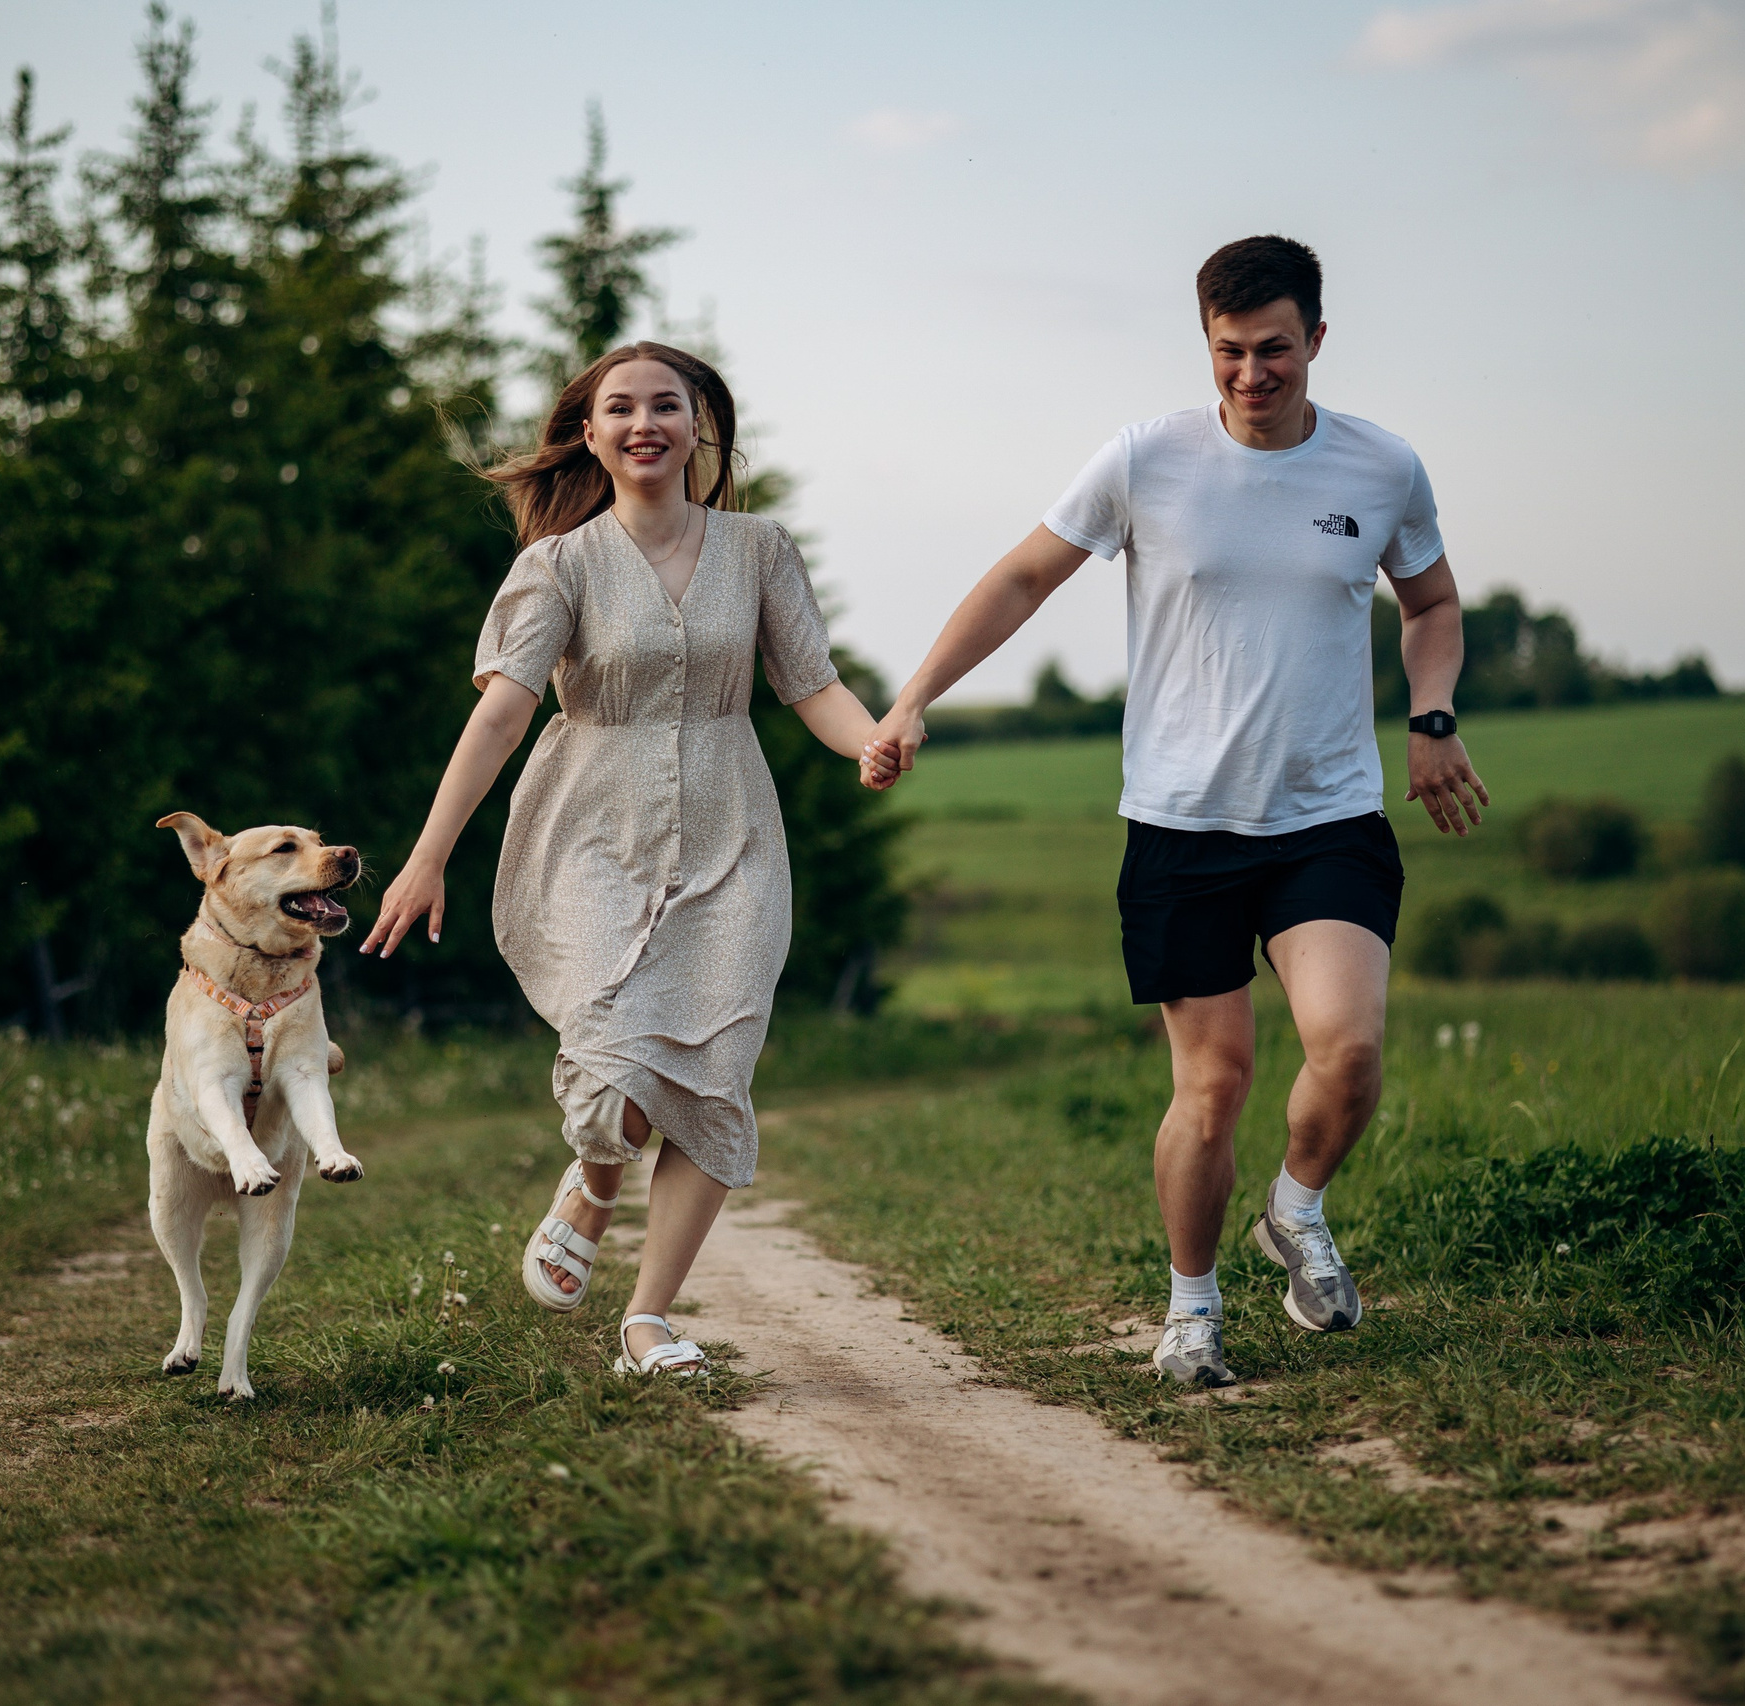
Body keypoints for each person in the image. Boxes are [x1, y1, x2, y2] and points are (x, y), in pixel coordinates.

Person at [867, 236, 1488, 1387]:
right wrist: (912, 697)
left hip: (1328, 816)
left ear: (1315, 339)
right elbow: (1020, 577)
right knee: (1212, 1084)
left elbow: (1433, 600)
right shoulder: (1145, 459)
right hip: (1181, 825)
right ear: (1206, 344)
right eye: (1228, 353)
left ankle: (1294, 1207)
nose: (1251, 374)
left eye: (1273, 351)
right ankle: (1190, 1305)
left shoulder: (1380, 467)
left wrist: (1433, 714)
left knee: (1347, 1053)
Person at [362, 341, 896, 1377]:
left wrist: (867, 738)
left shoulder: (759, 548)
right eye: (622, 407)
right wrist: (428, 855)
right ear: (591, 432)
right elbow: (501, 717)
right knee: (612, 1076)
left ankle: (648, 1316)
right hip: (589, 833)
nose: (645, 422)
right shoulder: (557, 566)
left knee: (713, 1071)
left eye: (668, 404)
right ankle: (597, 1171)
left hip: (733, 836)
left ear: (701, 425)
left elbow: (812, 685)